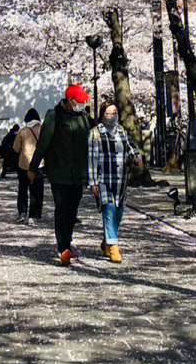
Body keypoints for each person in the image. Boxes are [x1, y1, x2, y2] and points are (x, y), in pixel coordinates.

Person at [29, 83, 91, 264]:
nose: (81, 104)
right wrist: (33, 168)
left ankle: (68, 243)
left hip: (78, 175)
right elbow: (43, 143)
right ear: (71, 100)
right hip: (59, 173)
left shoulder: (82, 118)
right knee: (62, 210)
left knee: (73, 212)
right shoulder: (54, 115)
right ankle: (63, 248)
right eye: (79, 101)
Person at [89, 99, 143, 263]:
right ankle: (113, 247)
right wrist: (92, 181)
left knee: (118, 213)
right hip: (104, 179)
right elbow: (91, 158)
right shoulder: (95, 133)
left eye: (114, 113)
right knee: (109, 211)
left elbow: (129, 146)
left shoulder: (121, 131)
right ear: (102, 115)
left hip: (120, 180)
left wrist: (136, 157)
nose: (111, 117)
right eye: (108, 113)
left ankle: (107, 241)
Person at [13, 108, 44, 224]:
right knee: (36, 191)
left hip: (24, 165)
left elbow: (16, 149)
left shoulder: (23, 131)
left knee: (23, 189)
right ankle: (33, 215)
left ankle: (22, 212)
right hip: (39, 165)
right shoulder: (42, 130)